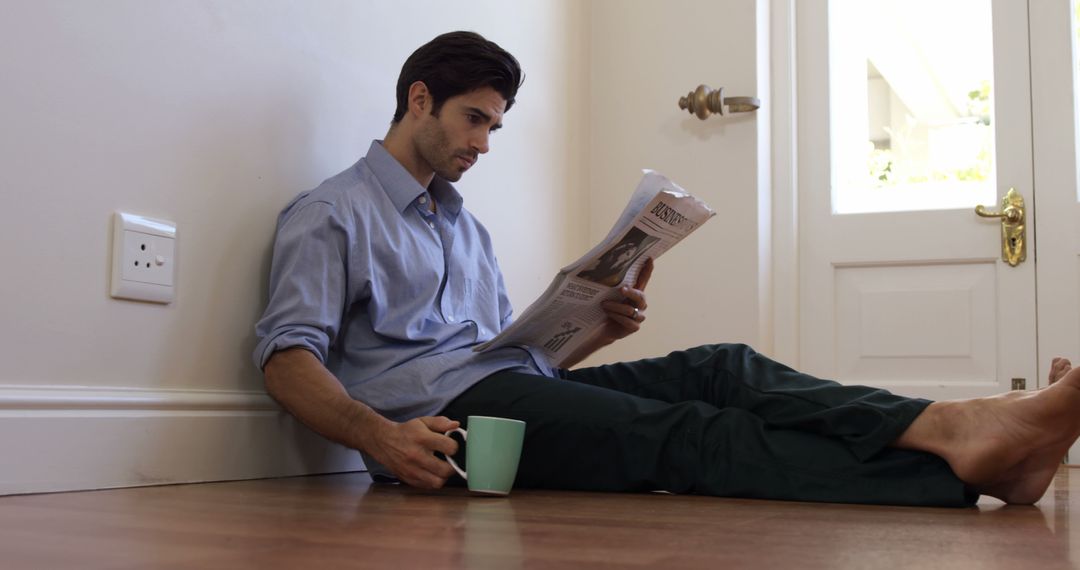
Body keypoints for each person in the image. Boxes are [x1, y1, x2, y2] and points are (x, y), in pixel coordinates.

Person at [254, 30, 1080, 507]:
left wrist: (595, 331)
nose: (481, 143)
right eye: (474, 119)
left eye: (496, 128)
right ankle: (963, 463)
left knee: (723, 368)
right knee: (689, 437)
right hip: (441, 430)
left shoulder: (462, 228)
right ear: (420, 99)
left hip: (499, 395)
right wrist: (382, 438)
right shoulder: (332, 213)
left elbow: (524, 370)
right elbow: (288, 359)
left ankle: (955, 431)